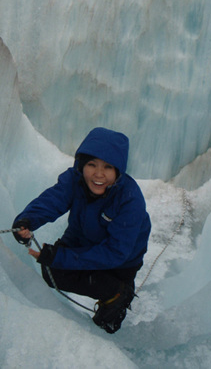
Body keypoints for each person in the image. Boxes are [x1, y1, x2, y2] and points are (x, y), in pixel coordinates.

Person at [12, 127, 151, 333]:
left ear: (118, 171)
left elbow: (115, 251)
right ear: (81, 164)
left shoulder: (129, 199)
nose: (98, 174)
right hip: (81, 238)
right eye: (92, 164)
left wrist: (61, 256)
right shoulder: (74, 180)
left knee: (108, 323)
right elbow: (53, 200)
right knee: (52, 273)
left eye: (108, 167)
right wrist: (27, 221)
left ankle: (117, 293)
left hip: (122, 260)